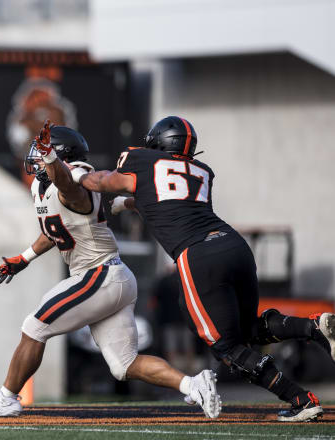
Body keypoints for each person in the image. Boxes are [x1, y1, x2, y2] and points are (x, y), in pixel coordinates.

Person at [78, 115, 335, 422]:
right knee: (247, 331)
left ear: (159, 142)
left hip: (199, 256)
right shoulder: (202, 171)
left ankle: (300, 399)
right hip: (235, 245)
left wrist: (77, 174)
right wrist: (130, 202)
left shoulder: (142, 160)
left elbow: (102, 181)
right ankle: (313, 326)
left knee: (227, 348)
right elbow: (169, 200)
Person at [0, 121, 221, 418]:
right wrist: (23, 259)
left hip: (98, 275)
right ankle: (193, 385)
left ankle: (7, 398)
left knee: (35, 326)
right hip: (112, 277)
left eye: (44, 151)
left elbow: (68, 187)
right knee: (124, 365)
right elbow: (55, 231)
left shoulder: (74, 180)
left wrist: (51, 159)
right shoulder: (43, 185)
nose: (36, 156)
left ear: (59, 155)